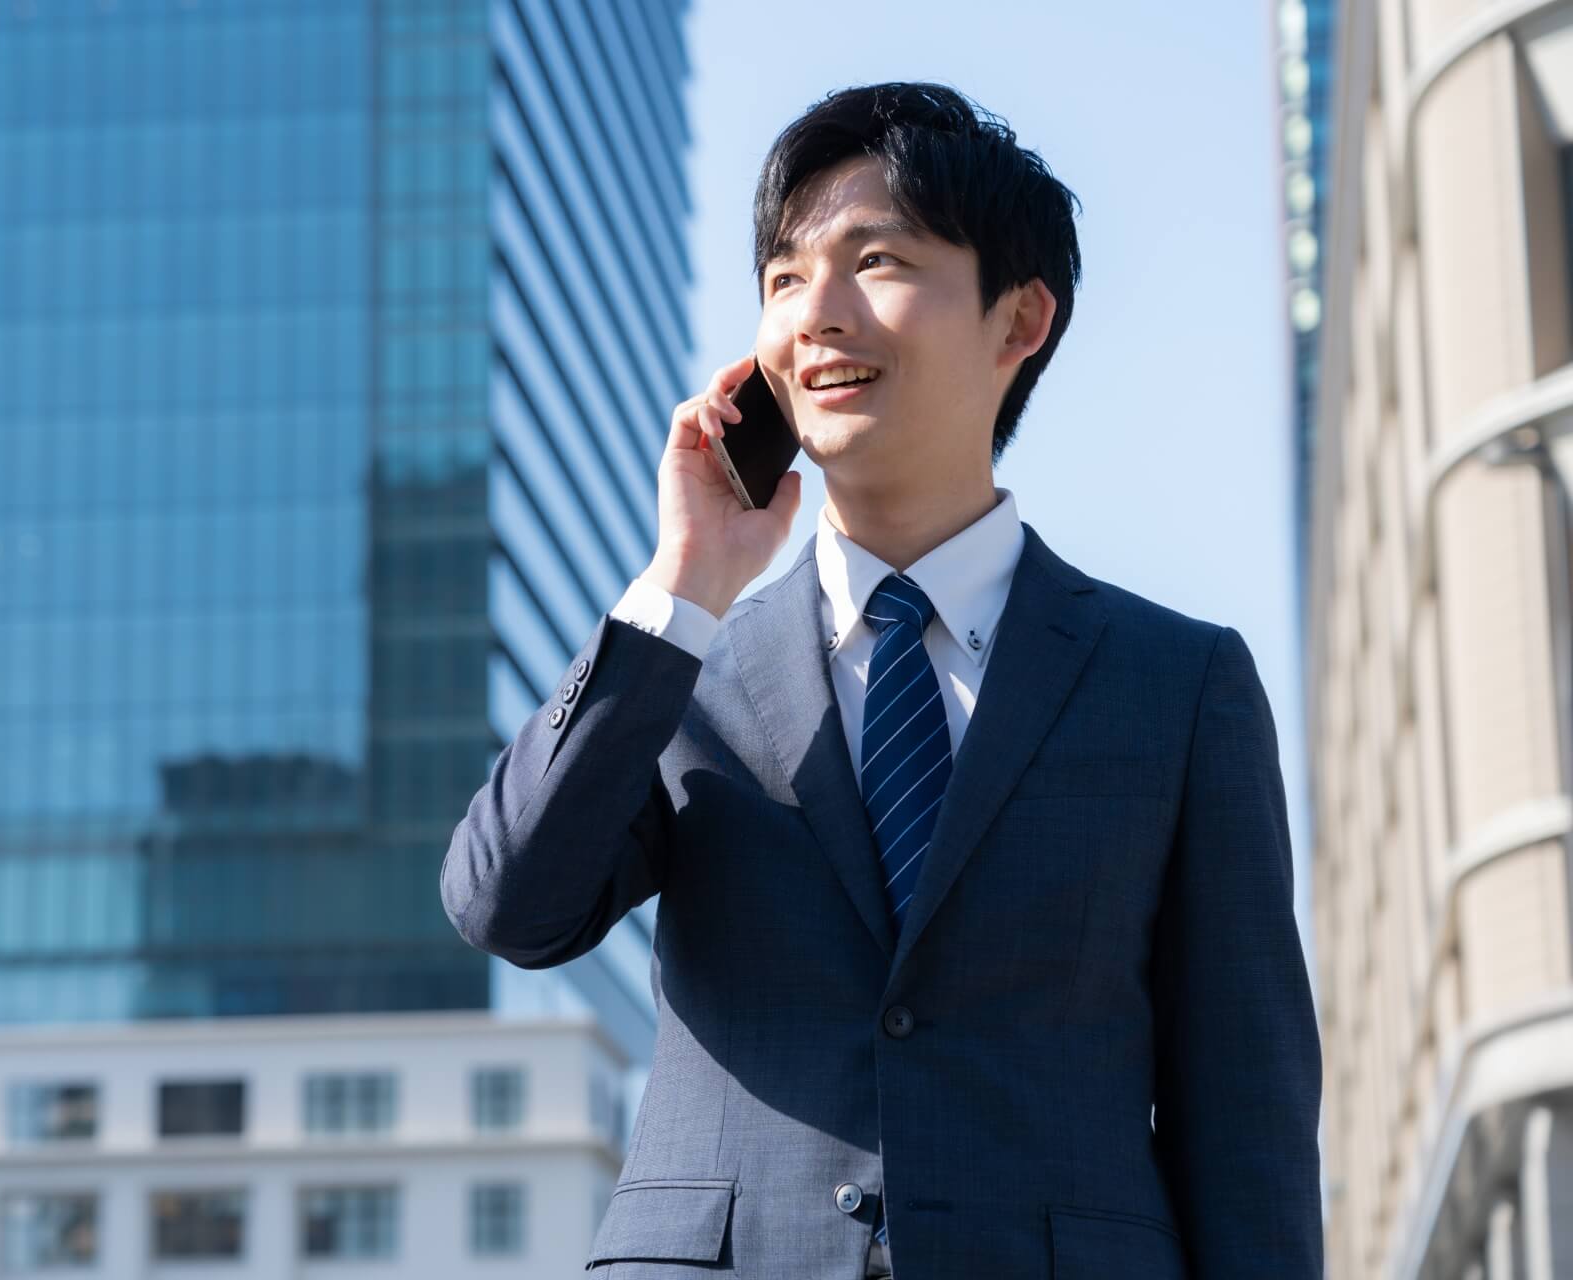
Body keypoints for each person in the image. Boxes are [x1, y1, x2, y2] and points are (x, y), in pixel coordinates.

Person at [440, 81, 1321, 1279]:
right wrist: (684, 582)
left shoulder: (1179, 685)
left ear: (1020, 321)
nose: (818, 317)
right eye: (786, 278)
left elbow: (1247, 1116)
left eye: (878, 261)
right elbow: (507, 904)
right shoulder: (685, 671)